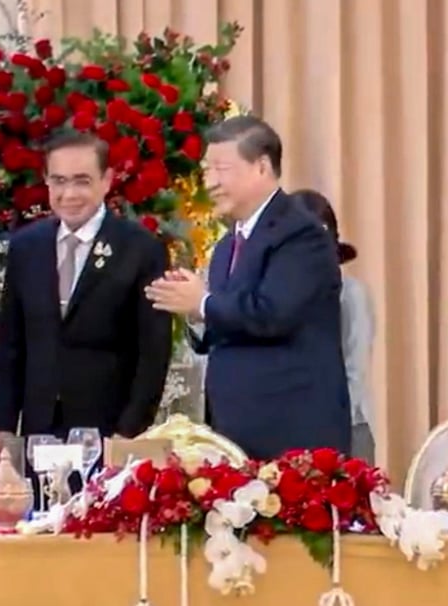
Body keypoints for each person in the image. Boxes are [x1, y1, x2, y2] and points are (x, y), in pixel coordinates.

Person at [145, 116, 351, 459]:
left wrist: (204, 303)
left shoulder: (302, 234)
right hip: (235, 430)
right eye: (206, 171)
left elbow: (273, 313)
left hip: (291, 429)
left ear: (262, 167)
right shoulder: (227, 243)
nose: (209, 182)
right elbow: (227, 324)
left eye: (220, 169)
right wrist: (195, 311)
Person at [0, 131, 173, 464]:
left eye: (82, 181)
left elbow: (153, 353)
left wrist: (128, 433)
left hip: (107, 433)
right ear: (46, 181)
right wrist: (2, 427)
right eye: (58, 181)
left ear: (106, 181)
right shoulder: (27, 247)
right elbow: (11, 347)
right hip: (38, 433)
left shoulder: (141, 249)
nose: (69, 194)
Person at [293, 188, 375, 462]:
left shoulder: (350, 294)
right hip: (290, 431)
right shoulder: (281, 297)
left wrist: (327, 424)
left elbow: (356, 368)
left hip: (346, 427)